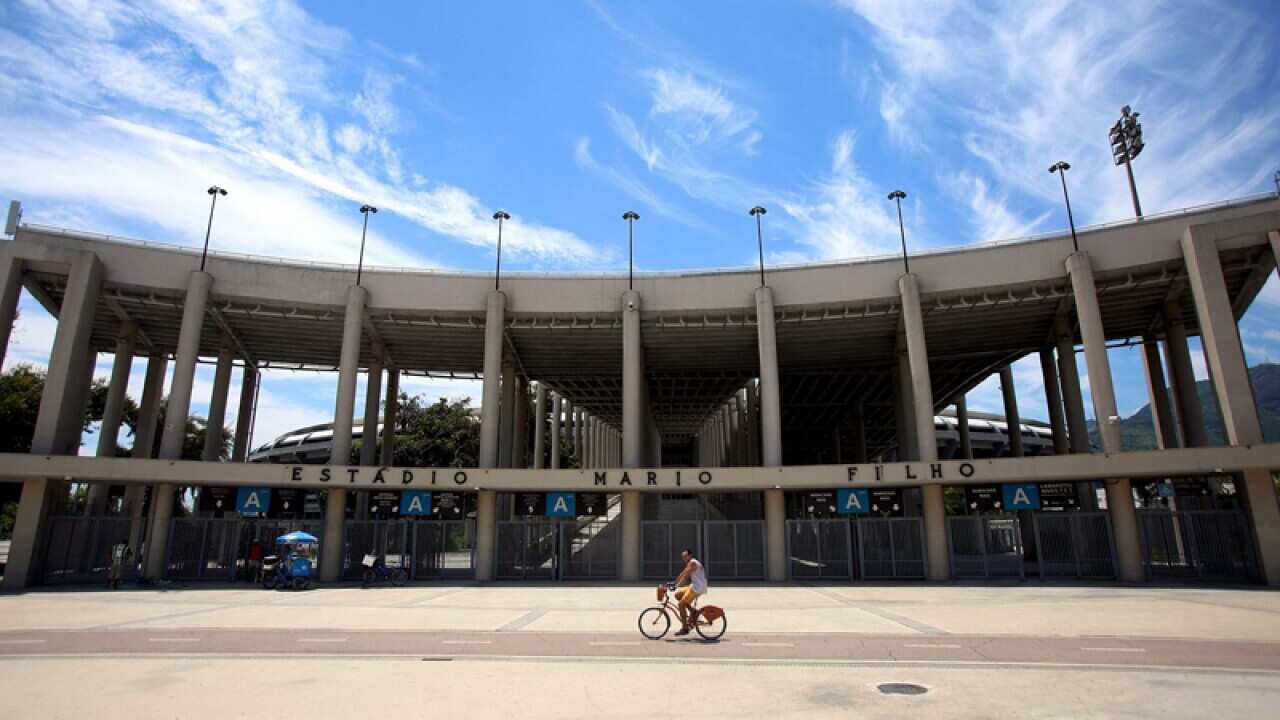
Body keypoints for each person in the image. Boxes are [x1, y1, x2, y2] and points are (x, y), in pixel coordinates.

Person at [671, 548, 708, 636]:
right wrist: (673, 582)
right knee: (678, 595)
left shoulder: (693, 563)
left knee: (681, 604)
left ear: (690, 556)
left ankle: (684, 628)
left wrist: (676, 586)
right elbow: (682, 574)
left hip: (697, 588)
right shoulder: (690, 563)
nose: (684, 558)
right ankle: (693, 612)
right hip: (694, 586)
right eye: (683, 557)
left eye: (685, 556)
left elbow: (686, 576)